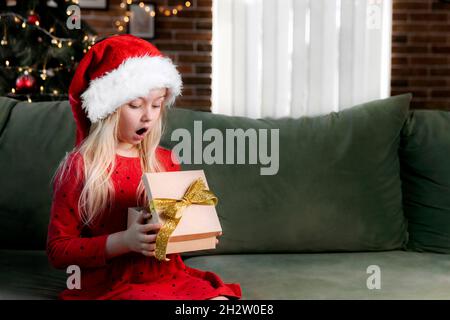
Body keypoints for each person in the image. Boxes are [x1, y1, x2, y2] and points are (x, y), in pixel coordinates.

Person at [46, 34, 242, 300]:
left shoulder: (165, 160)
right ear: (109, 109)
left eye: (157, 104)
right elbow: (58, 250)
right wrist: (123, 241)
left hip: (168, 277)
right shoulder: (80, 167)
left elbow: (170, 238)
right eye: (135, 104)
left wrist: (193, 232)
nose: (148, 115)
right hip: (114, 283)